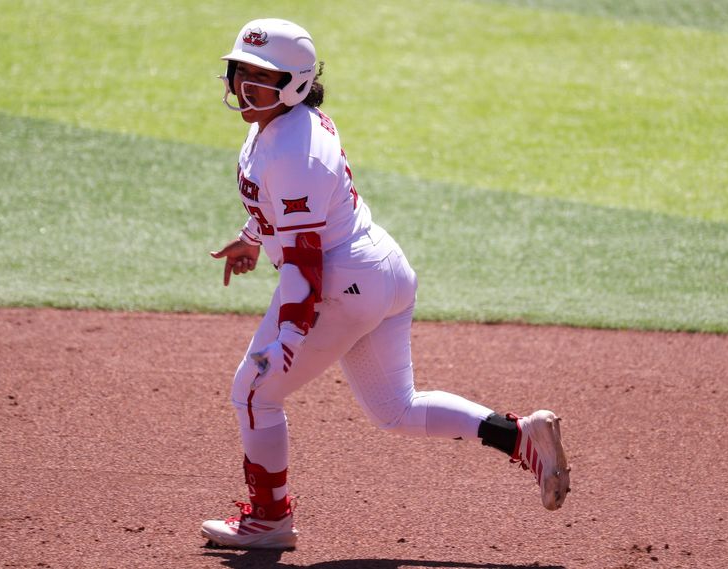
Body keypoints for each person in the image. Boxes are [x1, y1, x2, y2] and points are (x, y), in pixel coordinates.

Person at [202, 18, 570, 550]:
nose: (244, 86)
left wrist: (288, 337)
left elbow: (306, 265)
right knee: (396, 409)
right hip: (378, 272)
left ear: (295, 82)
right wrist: (252, 237)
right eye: (241, 72)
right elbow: (284, 209)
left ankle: (269, 518)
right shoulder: (281, 124)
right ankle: (520, 438)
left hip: (340, 285)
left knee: (256, 391)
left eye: (262, 76)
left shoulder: (293, 150)